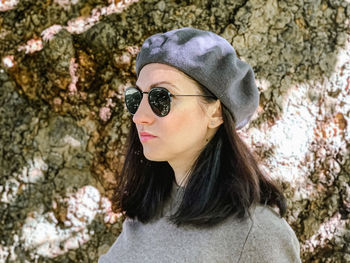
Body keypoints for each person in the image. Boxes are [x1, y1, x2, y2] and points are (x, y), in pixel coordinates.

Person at [99, 27, 301, 263]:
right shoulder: (145, 215)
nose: (139, 116)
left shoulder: (257, 233)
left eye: (161, 98)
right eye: (136, 98)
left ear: (215, 113)